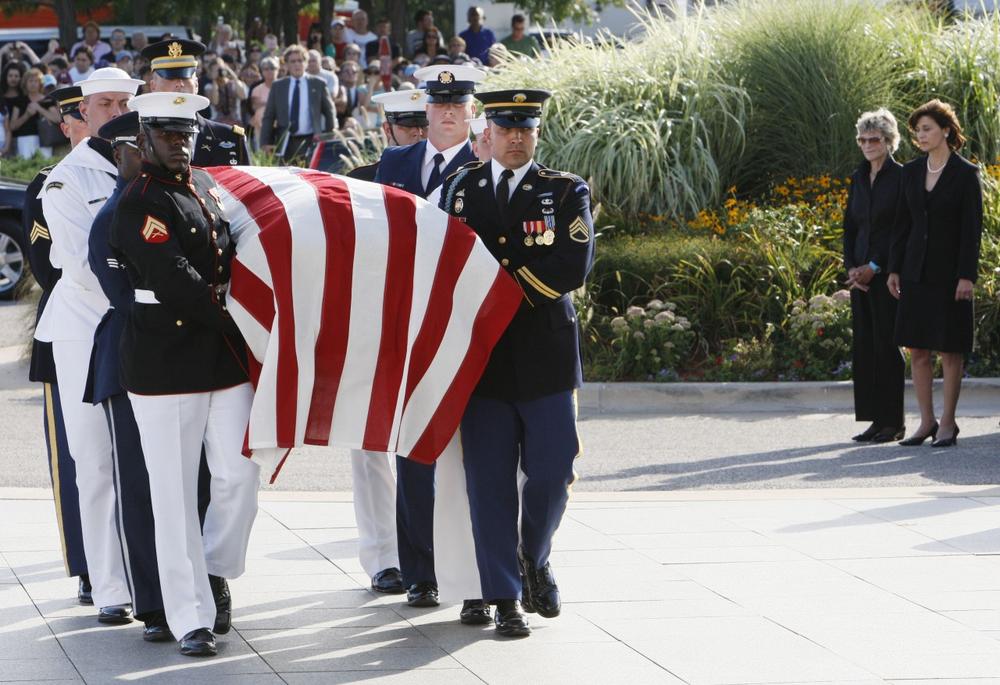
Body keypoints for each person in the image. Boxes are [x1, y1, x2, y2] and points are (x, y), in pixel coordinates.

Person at [438, 88, 594, 637]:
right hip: (483, 363)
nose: (516, 138)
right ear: (488, 132)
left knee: (554, 470)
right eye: (506, 129)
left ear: (536, 133)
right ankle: (503, 595)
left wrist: (499, 296)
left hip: (544, 356)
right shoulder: (460, 191)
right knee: (489, 483)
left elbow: (573, 262)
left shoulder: (564, 190)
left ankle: (535, 556)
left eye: (525, 129)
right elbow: (437, 263)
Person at [109, 91, 259, 657]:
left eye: (187, 134)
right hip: (165, 361)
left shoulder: (204, 193)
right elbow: (172, 277)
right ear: (145, 139)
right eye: (169, 135)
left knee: (241, 473)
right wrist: (241, 315)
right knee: (172, 496)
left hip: (220, 357)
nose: (180, 143)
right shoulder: (139, 201)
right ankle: (190, 616)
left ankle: (216, 566)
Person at [374, 63, 488, 624]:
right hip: (404, 326)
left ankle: (469, 572)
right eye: (437, 104)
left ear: (472, 112)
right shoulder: (395, 163)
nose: (445, 113)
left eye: (456, 104)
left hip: (461, 326)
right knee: (413, 450)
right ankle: (419, 573)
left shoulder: (486, 164)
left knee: (465, 457)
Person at [35, 66, 145, 626]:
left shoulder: (150, 163)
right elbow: (82, 266)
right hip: (86, 330)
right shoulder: (67, 178)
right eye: (106, 103)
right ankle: (108, 585)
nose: (119, 111)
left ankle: (152, 575)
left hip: (143, 326)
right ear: (84, 109)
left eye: (127, 100)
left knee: (152, 461)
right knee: (95, 461)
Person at [86, 111, 173, 642]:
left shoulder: (181, 200)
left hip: (184, 363)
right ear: (120, 154)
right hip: (129, 362)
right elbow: (127, 298)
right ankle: (154, 602)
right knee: (140, 489)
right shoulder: (112, 215)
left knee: (193, 486)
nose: (145, 154)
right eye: (136, 147)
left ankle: (196, 590)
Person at [20, 85, 92, 607]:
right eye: (84, 118)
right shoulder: (49, 184)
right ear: (68, 125)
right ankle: (90, 565)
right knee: (76, 458)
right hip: (68, 331)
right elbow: (49, 270)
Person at [888, 99, 983, 448]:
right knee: (918, 349)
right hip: (914, 272)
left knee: (950, 350)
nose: (921, 136)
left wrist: (966, 275)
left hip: (950, 276)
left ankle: (948, 422)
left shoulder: (965, 174)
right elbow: (902, 224)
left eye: (927, 129)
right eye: (917, 131)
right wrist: (894, 268)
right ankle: (926, 420)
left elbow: (972, 230)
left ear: (946, 130)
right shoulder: (910, 172)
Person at [843, 108, 905, 444]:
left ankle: (893, 421)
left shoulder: (901, 177)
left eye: (875, 139)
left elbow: (898, 229)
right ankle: (874, 420)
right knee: (865, 346)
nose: (868, 144)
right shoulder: (858, 177)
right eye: (863, 139)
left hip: (886, 275)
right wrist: (851, 267)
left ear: (889, 141)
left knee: (886, 345)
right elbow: (850, 227)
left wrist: (875, 267)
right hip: (860, 278)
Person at [141, 38, 250, 166]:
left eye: (185, 77)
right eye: (170, 78)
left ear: (197, 85)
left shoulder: (230, 137)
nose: (179, 84)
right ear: (153, 86)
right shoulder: (142, 136)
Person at [260, 44, 335, 162]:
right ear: (286, 64)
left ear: (306, 63)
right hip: (285, 142)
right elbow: (269, 116)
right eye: (293, 61)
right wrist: (264, 142)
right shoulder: (278, 86)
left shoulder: (318, 84)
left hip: (311, 140)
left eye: (300, 60)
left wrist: (328, 136)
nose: (296, 64)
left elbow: (329, 112)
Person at [347, 89, 427, 181]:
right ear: (388, 129)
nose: (418, 132)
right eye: (408, 125)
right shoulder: (360, 179)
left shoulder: (440, 176)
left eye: (425, 126)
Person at [8, 67, 60, 158]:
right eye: (30, 81)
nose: (33, 84)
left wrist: (39, 108)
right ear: (25, 83)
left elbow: (57, 119)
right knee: (25, 167)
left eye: (36, 81)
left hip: (45, 139)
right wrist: (26, 115)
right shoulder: (19, 101)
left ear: (40, 83)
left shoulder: (48, 100)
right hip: (25, 139)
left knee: (44, 168)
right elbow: (12, 126)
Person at [248, 57, 277, 149]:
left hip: (280, 127)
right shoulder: (257, 89)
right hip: (261, 128)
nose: (269, 71)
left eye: (272, 68)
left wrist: (264, 103)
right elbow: (255, 107)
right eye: (266, 69)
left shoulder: (284, 87)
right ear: (262, 71)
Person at [334, 59, 362, 130]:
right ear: (340, 75)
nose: (350, 74)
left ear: (358, 75)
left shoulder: (361, 91)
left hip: (358, 129)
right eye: (347, 71)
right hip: (338, 128)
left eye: (354, 72)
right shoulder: (336, 91)